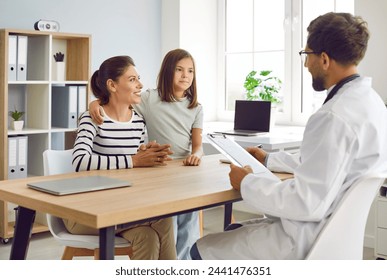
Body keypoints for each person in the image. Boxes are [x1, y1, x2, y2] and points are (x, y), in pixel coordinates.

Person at [190, 12, 387, 260]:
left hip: (305, 242)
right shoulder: (372, 104)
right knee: (234, 231)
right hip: (335, 239)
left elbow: (306, 202)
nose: (306, 65)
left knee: (199, 250)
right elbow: (327, 165)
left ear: (324, 59)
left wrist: (247, 183)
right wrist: (268, 160)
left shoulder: (333, 116)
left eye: (307, 55)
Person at [89, 49, 204, 259]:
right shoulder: (150, 99)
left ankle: (186, 262)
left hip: (184, 170)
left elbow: (197, 144)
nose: (185, 75)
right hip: (158, 170)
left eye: (190, 71)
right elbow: (117, 101)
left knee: (189, 220)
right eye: (179, 70)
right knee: (169, 220)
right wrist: (95, 102)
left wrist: (196, 154)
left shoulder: (195, 107)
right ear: (168, 71)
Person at [70, 55, 177, 260]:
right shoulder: (93, 118)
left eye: (139, 78)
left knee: (148, 236)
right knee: (162, 220)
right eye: (132, 79)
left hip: (121, 206)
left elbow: (133, 166)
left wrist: (150, 156)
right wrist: (133, 160)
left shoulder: (137, 122)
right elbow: (80, 162)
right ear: (112, 85)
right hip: (84, 210)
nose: (140, 84)